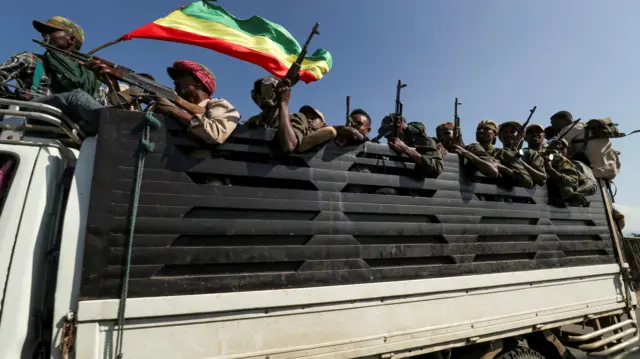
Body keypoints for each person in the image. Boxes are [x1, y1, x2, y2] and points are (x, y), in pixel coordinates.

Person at [0, 16, 105, 135]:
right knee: (78, 97)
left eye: (51, 31)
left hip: (69, 130)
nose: (44, 35)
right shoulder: (31, 59)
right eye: (44, 32)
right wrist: (11, 99)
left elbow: (100, 107)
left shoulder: (89, 75)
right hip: (36, 115)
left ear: (71, 39)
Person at [153, 60, 240, 145]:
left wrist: (173, 110)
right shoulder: (179, 108)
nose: (175, 82)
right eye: (176, 79)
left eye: (181, 76)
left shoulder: (218, 104)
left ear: (199, 81)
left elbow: (216, 133)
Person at [245, 76, 309, 153]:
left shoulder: (296, 118)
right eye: (259, 92)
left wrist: (283, 102)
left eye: (268, 89)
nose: (262, 94)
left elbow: (289, 146)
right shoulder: (254, 120)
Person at [550, 110, 621, 180]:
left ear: (566, 119)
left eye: (555, 123)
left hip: (589, 174)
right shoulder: (590, 129)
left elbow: (556, 150)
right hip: (610, 172)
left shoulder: (569, 128)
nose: (553, 127)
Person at [543, 139, 591, 207]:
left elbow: (582, 180)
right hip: (559, 188)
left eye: (563, 148)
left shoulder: (570, 162)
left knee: (567, 189)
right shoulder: (548, 157)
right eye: (555, 147)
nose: (560, 149)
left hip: (569, 183)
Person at [496, 121, 542, 187]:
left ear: (519, 136)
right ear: (500, 136)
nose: (509, 134)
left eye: (512, 132)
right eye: (505, 132)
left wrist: (521, 162)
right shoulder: (496, 153)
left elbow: (541, 180)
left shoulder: (530, 154)